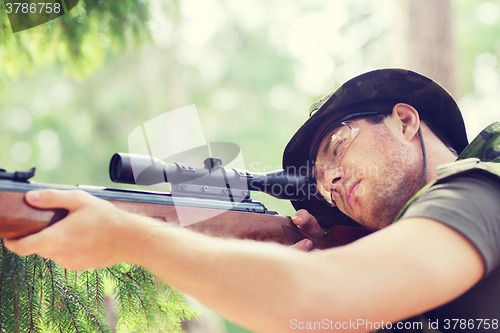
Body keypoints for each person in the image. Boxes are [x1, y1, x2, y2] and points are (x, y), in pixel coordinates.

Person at [4, 69, 500, 333]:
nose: (328, 179)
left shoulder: (481, 188)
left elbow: (316, 297)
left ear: (405, 120)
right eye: (318, 179)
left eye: (337, 145)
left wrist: (132, 238)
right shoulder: (403, 288)